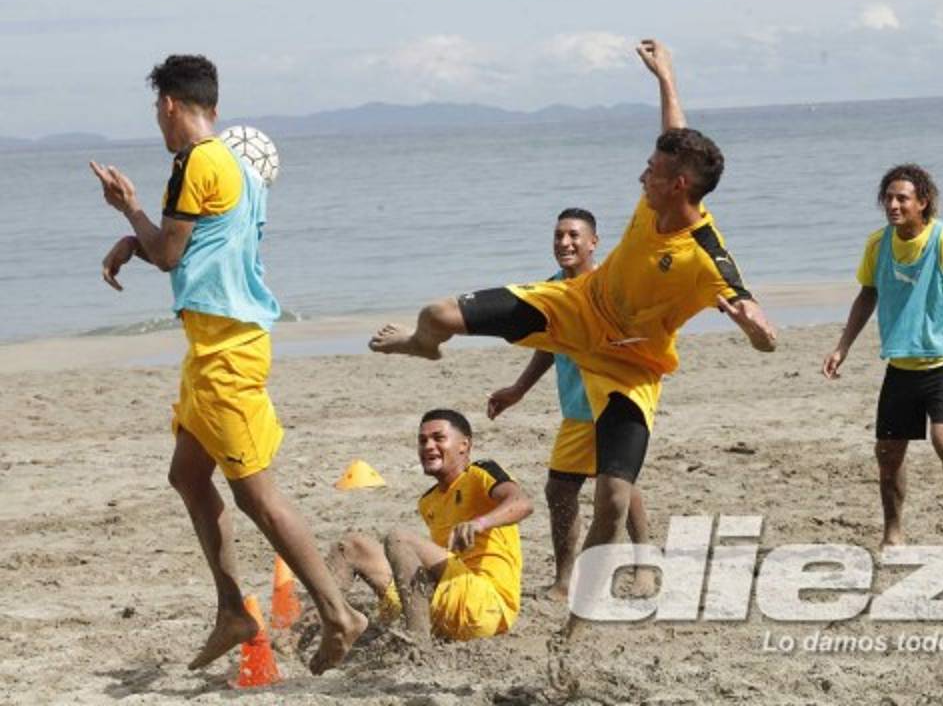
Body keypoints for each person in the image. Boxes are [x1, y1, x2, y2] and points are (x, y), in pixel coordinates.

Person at [368, 38, 776, 634]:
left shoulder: (706, 256)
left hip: (628, 369)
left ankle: (577, 626)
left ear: (680, 184)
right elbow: (676, 130)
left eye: (653, 173)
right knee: (437, 313)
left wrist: (752, 327)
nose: (642, 175)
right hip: (574, 308)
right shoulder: (658, 193)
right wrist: (666, 75)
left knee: (611, 501)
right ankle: (421, 344)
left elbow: (761, 327)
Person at [89, 54, 366, 674]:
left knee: (258, 498)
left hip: (226, 351)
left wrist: (127, 210)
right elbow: (198, 246)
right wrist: (140, 239)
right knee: (187, 477)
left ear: (168, 105)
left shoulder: (194, 162)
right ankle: (232, 610)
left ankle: (338, 614)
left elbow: (168, 253)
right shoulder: (238, 161)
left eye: (156, 113)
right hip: (218, 345)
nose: (158, 125)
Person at [822, 164, 943, 547]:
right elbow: (867, 293)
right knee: (888, 453)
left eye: (902, 198)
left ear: (923, 202)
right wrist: (843, 346)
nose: (893, 205)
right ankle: (893, 532)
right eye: (888, 198)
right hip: (900, 364)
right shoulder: (878, 244)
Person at [486, 208, 654, 600]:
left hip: (616, 402)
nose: (565, 243)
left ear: (593, 242)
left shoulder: (610, 286)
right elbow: (549, 347)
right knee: (560, 490)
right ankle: (564, 580)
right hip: (577, 410)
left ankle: (644, 566)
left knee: (620, 485)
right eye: (559, 235)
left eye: (574, 236)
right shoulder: (553, 290)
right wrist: (519, 389)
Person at [328, 409, 532, 641]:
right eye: (422, 440)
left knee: (399, 538)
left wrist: (480, 523)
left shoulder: (479, 473)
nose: (428, 446)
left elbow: (522, 503)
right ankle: (320, 628)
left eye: (438, 438)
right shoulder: (428, 501)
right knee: (350, 546)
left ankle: (418, 646)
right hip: (444, 601)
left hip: (485, 609)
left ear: (464, 445)